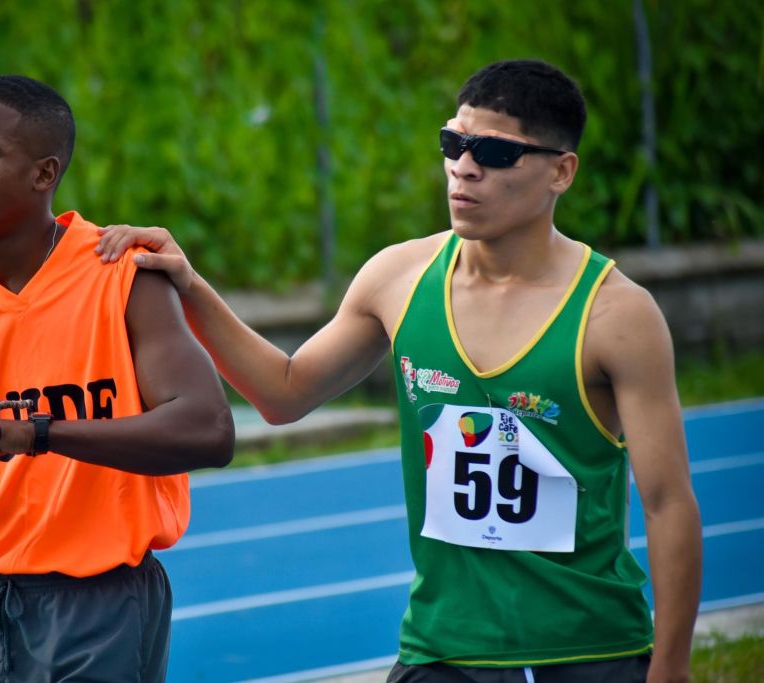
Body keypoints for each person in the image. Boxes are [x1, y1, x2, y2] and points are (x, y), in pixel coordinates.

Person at [95, 60, 702, 683]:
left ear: (561, 172)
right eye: (454, 143)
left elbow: (667, 503)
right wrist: (191, 286)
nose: (465, 167)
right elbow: (283, 392)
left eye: (495, 152)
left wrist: (672, 668)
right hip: (441, 652)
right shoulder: (399, 279)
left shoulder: (616, 316)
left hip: (589, 652)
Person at [0, 74, 234, 683]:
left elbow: (208, 430)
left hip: (102, 599)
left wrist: (37, 434)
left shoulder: (121, 272)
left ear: (44, 174)